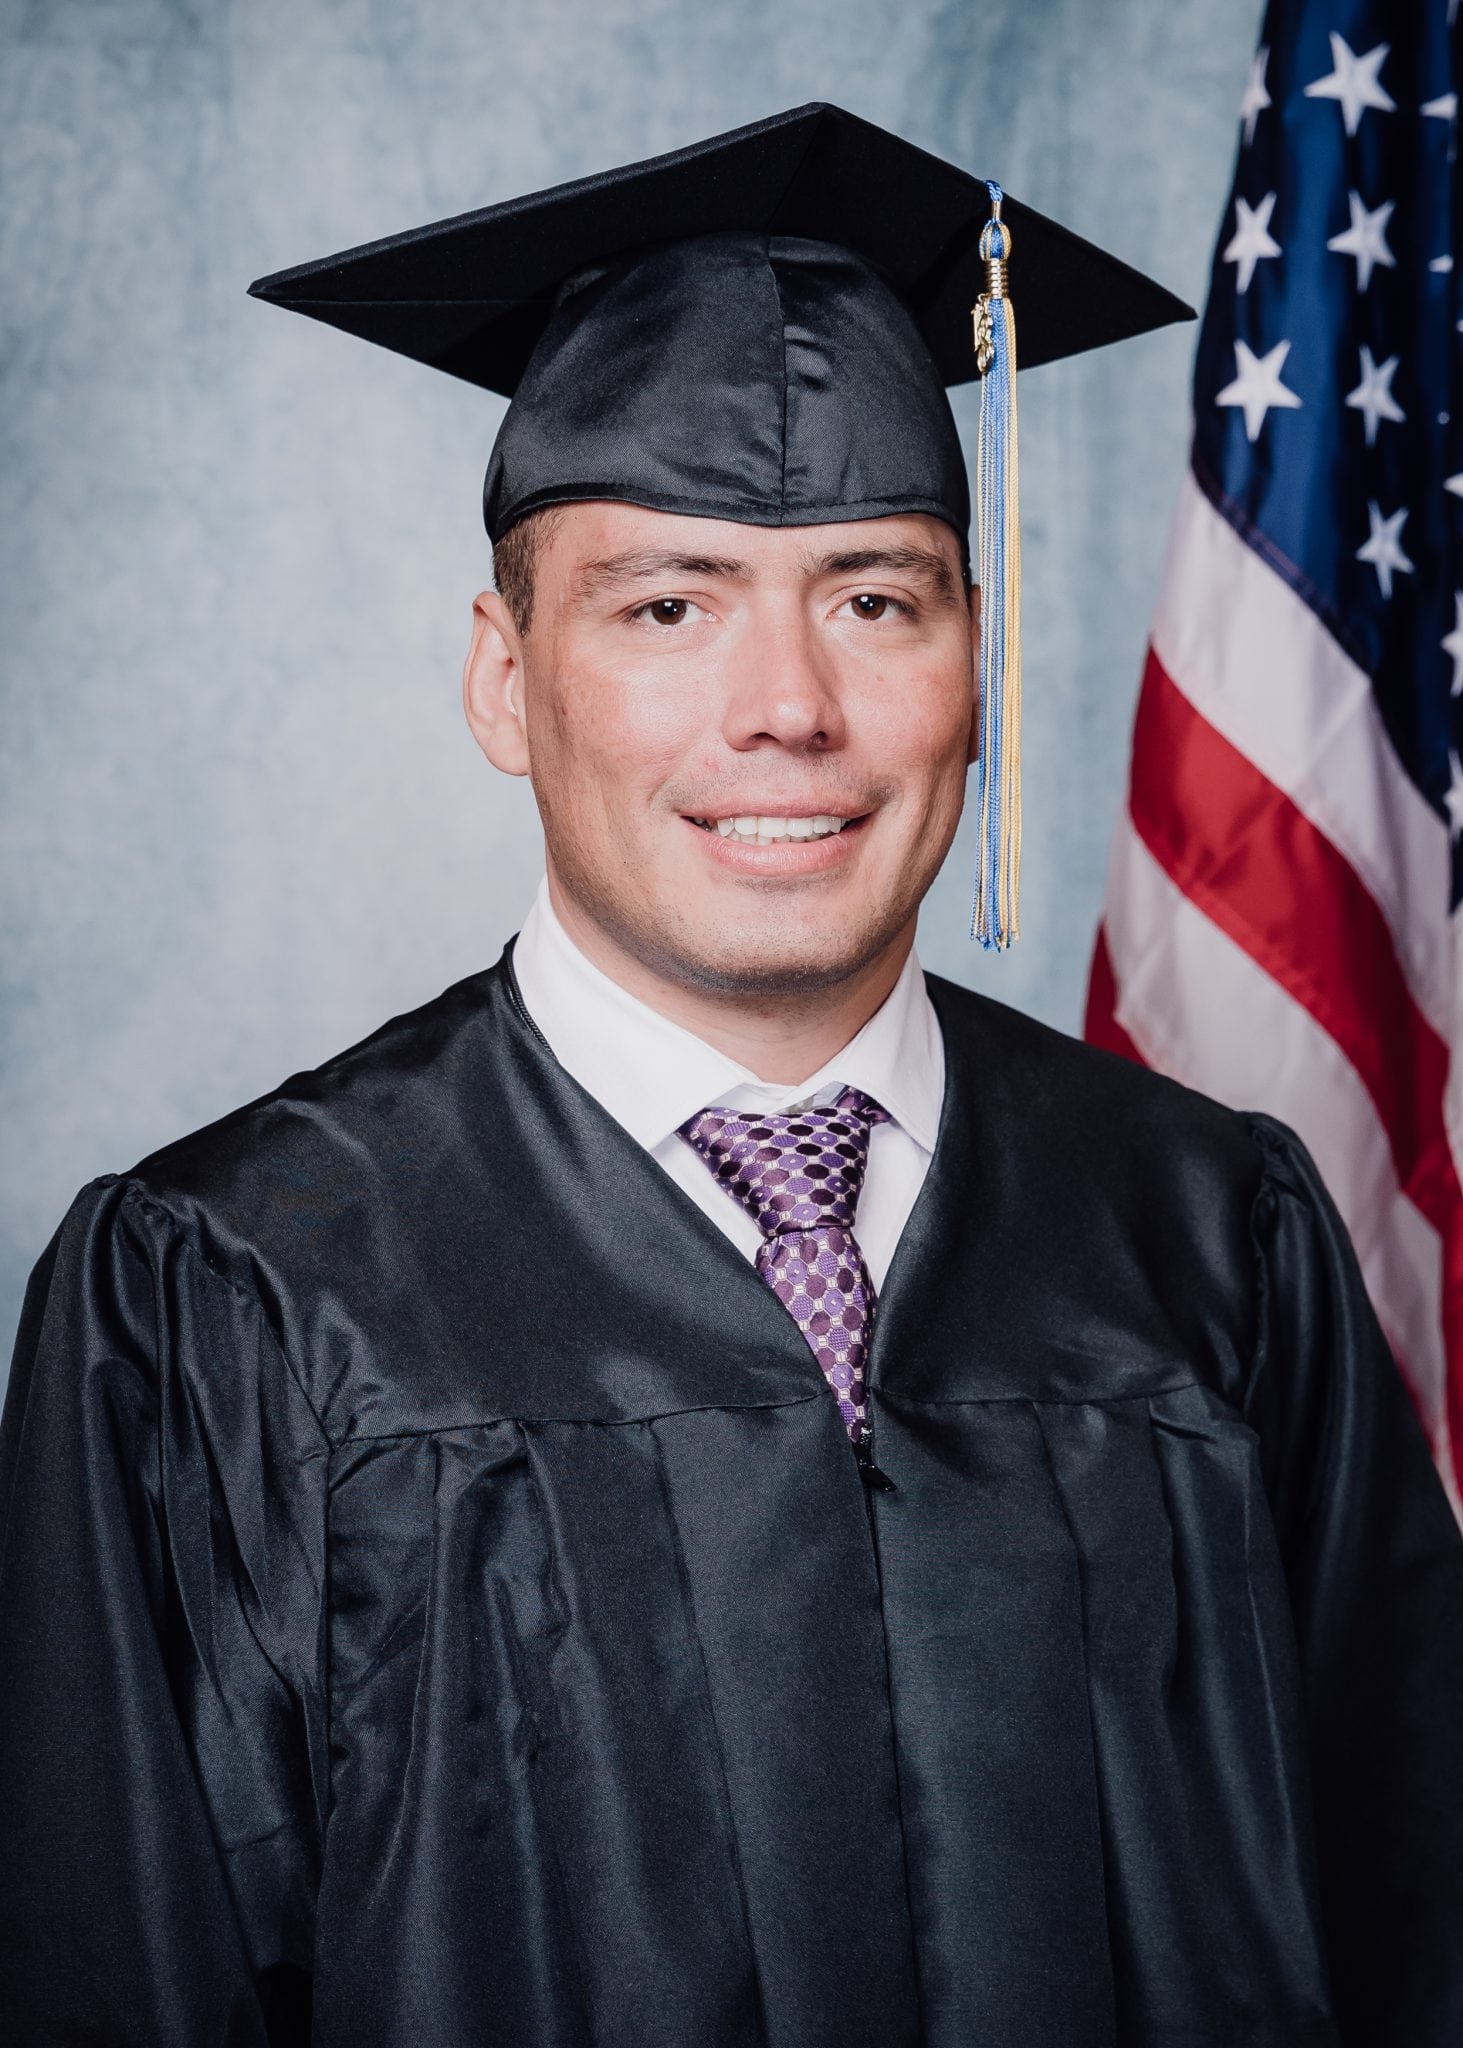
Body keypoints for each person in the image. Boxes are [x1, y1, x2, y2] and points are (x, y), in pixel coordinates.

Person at [2, 102, 1460, 2048]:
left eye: (875, 598)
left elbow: (1416, 1934)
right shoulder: (232, 1290)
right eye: (670, 605)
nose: (788, 706)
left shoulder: (1217, 1233)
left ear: (974, 665)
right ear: (505, 676)